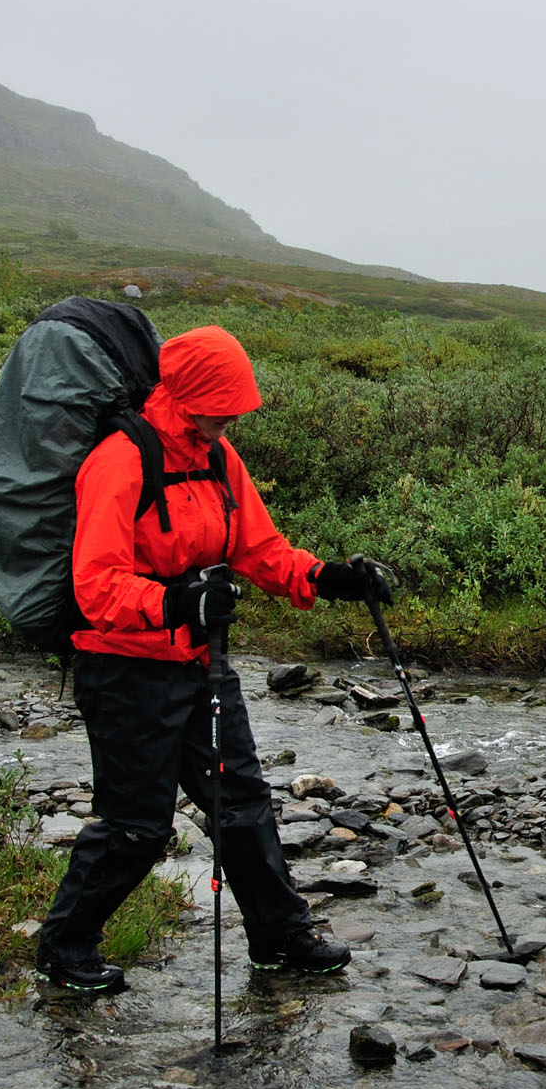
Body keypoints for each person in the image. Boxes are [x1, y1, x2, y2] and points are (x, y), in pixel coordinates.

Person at [34, 323, 390, 994]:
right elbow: (96, 585)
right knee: (138, 826)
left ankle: (280, 938)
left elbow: (261, 549)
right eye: (226, 403)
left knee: (243, 804)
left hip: (199, 662)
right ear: (193, 395)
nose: (233, 417)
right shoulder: (120, 460)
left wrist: (333, 579)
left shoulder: (218, 458)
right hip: (123, 667)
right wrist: (178, 603)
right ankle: (65, 946)